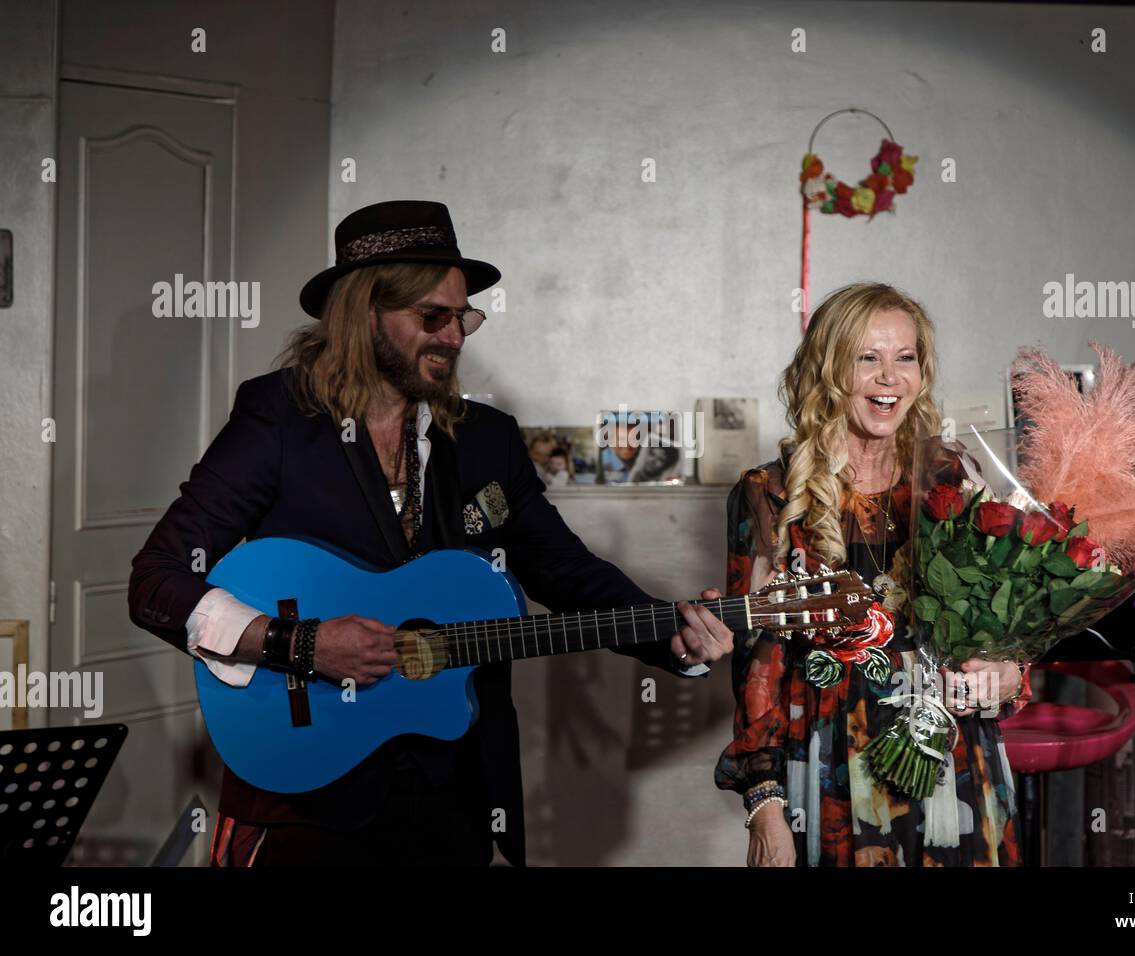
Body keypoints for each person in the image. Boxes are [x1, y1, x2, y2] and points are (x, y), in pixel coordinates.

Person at [128, 200, 734, 866]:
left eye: (463, 316)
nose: (454, 336)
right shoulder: (279, 418)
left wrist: (668, 635)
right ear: (363, 315)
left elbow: (563, 570)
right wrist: (301, 642)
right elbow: (158, 581)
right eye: (432, 317)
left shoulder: (485, 440)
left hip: (456, 795)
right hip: (309, 795)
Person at [715, 282, 1031, 867]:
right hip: (836, 769)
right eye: (868, 358)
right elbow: (756, 669)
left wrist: (1009, 675)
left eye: (905, 358)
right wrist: (765, 805)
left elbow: (1003, 624)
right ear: (830, 370)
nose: (890, 377)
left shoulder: (953, 477)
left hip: (953, 760)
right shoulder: (770, 493)